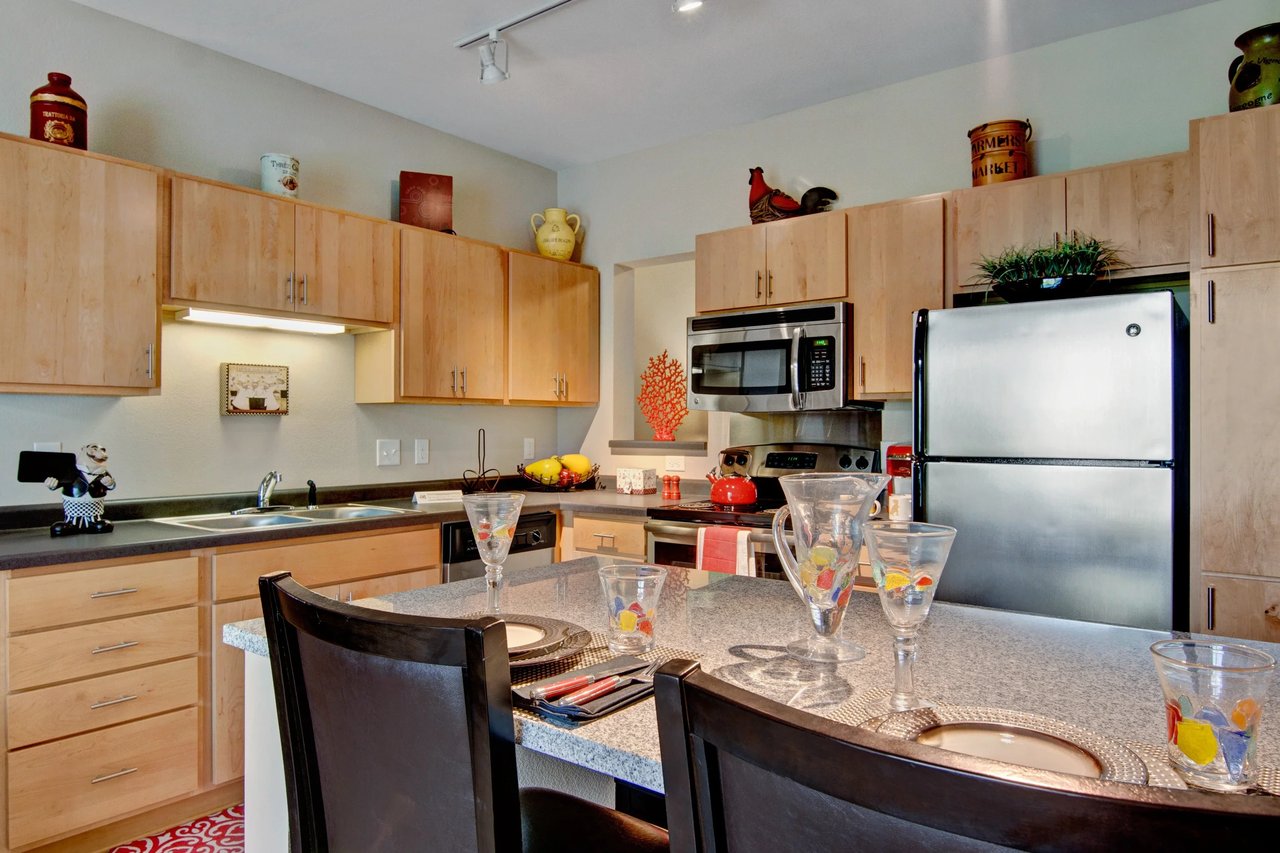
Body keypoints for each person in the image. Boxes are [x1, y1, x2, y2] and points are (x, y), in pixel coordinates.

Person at [44, 443, 116, 535]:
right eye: (94, 448)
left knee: (100, 523)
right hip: (73, 506)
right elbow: (59, 483)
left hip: (94, 507)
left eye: (102, 450)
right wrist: (52, 484)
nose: (100, 452)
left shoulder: (104, 474)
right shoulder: (71, 471)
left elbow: (111, 486)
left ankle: (94, 522)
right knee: (68, 521)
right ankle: (71, 524)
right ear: (83, 450)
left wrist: (110, 484)